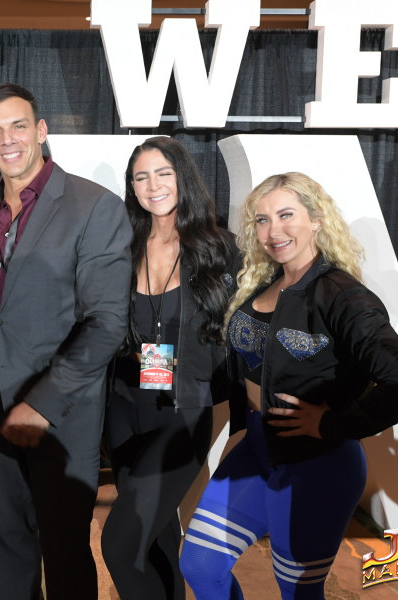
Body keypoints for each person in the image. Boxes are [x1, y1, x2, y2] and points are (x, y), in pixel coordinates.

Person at [179, 172, 398, 599]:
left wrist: (330, 424)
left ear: (316, 219)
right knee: (200, 565)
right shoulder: (262, 284)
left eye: (286, 215)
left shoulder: (343, 296)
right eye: (262, 220)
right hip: (256, 451)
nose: (273, 230)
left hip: (317, 465)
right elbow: (248, 369)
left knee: (297, 592)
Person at [0, 82, 132, 600]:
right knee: (7, 550)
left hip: (61, 414)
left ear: (40, 130)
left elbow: (107, 321)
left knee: (64, 552)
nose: (6, 140)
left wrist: (43, 402)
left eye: (18, 126)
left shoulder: (93, 206)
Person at [101, 137, 236, 600]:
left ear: (183, 177)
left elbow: (246, 331)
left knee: (120, 545)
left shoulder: (220, 248)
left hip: (184, 411)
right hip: (123, 409)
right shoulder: (121, 246)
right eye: (141, 177)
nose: (152, 185)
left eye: (163, 173)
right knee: (155, 543)